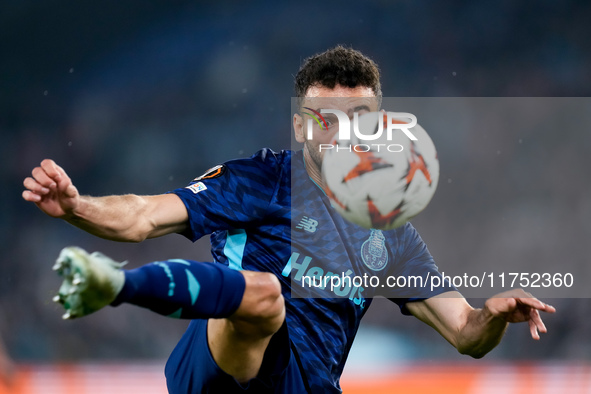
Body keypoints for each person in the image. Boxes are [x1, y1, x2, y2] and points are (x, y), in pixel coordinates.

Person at [22, 46, 555, 394]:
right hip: (221, 371)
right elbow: (142, 217)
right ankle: (114, 284)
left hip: (302, 387)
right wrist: (76, 206)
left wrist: (491, 316)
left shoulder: (390, 232)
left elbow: (464, 333)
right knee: (264, 295)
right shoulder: (258, 180)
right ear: (300, 128)